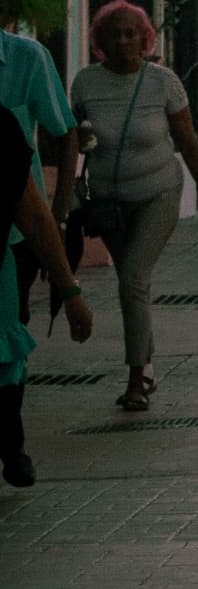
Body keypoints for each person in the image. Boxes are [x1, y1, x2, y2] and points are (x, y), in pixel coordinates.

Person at [71, 1, 198, 414]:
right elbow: (70, 138)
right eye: (114, 35)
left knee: (132, 280)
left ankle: (137, 379)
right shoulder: (85, 84)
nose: (123, 42)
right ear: (100, 42)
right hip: (108, 202)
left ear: (144, 39)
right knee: (132, 284)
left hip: (158, 193)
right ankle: (148, 366)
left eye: (130, 34)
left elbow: (189, 143)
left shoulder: (163, 83)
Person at [0, 0, 81, 488]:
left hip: (17, 224)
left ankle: (11, 442)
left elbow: (63, 128)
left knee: (13, 329)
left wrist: (61, 208)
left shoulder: (26, 59)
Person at [0, 110, 93, 487]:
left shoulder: (2, 131)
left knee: (6, 370)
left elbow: (35, 218)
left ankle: (11, 446)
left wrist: (69, 291)